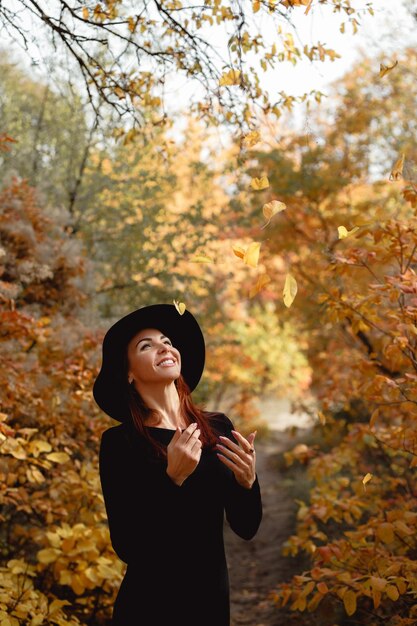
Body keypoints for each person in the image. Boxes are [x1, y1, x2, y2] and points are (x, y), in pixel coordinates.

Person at [93, 303, 263, 626]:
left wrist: (248, 483)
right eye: (147, 346)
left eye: (167, 341)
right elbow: (129, 546)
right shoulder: (120, 444)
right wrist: (171, 480)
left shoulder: (218, 428)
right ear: (128, 373)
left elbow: (246, 527)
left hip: (211, 603)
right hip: (149, 607)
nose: (164, 347)